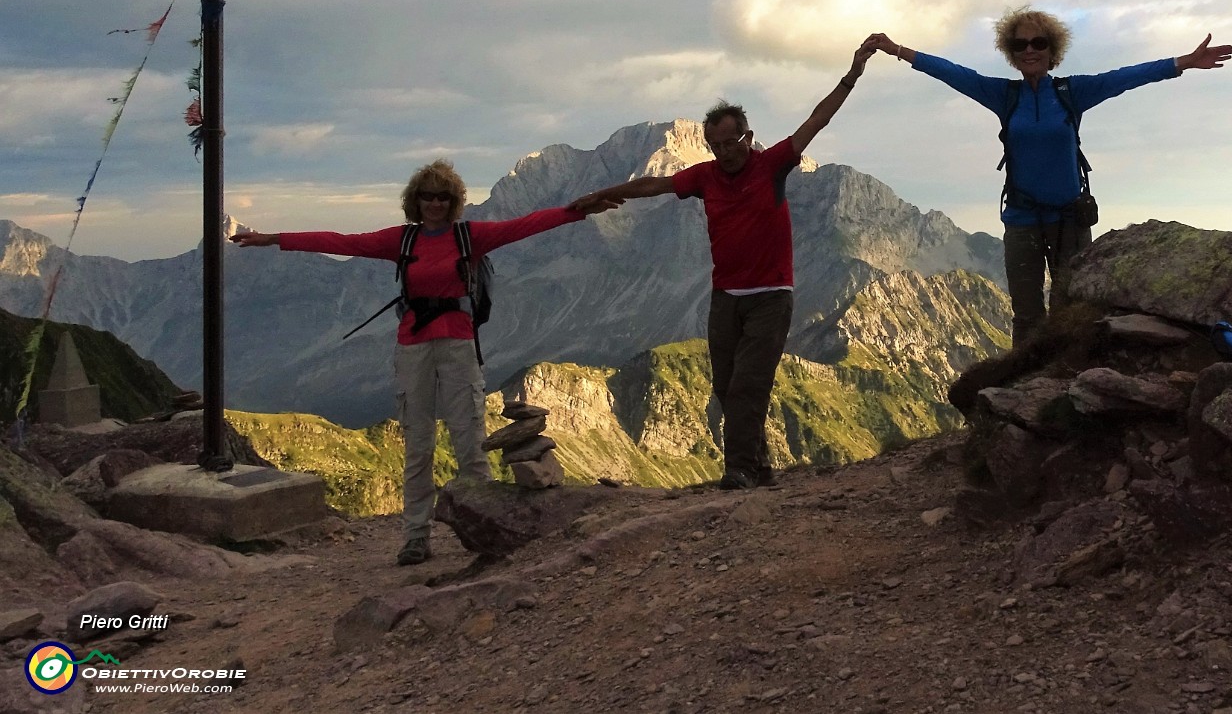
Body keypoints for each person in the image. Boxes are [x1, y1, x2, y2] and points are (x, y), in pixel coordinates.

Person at [229, 159, 619, 566]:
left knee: (469, 438)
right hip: (414, 346)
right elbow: (342, 241)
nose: (435, 203)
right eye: (427, 196)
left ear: (454, 202)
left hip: (457, 343)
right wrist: (274, 239)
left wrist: (577, 210)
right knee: (419, 444)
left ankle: (483, 529)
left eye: (443, 197)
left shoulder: (470, 237)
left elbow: (526, 224)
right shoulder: (402, 241)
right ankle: (417, 536)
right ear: (415, 201)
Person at [567, 44, 877, 490]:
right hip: (726, 295)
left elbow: (817, 119)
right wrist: (602, 195)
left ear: (747, 137)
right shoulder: (705, 177)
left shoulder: (772, 165)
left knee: (748, 384)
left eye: (730, 143)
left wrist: (852, 76)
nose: (724, 152)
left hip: (771, 296)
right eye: (715, 146)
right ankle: (761, 466)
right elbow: (654, 184)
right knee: (726, 385)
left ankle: (738, 470)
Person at [863, 9, 1232, 348]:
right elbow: (953, 73)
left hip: (1069, 221)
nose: (1030, 50)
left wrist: (1182, 63)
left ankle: (1060, 387)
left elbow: (1126, 77)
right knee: (1026, 316)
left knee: (1068, 311)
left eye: (1038, 43)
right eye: (1021, 44)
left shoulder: (1072, 92)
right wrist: (898, 50)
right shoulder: (1004, 95)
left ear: (1052, 48)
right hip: (1022, 222)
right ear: (1012, 51)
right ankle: (1022, 391)